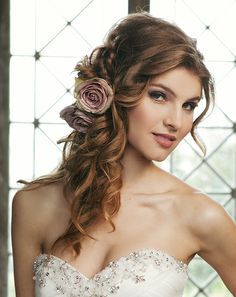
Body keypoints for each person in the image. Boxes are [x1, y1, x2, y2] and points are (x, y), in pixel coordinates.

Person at [12, 12, 236, 297]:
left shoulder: (199, 215)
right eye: (159, 95)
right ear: (116, 92)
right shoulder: (33, 204)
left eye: (189, 105)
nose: (177, 122)